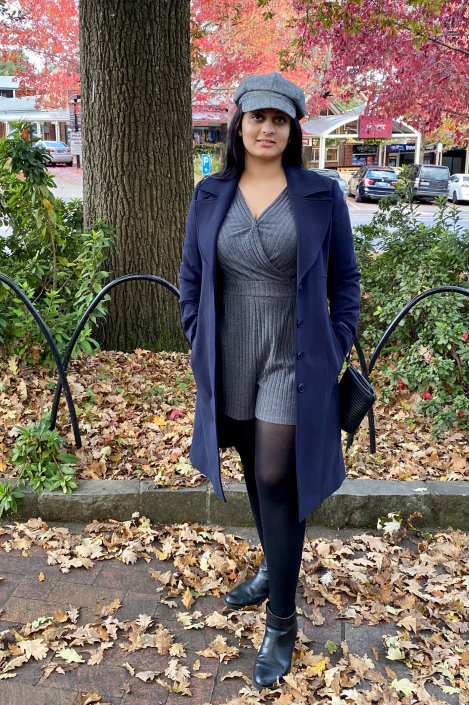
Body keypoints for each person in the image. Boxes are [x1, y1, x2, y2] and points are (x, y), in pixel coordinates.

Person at [178, 72, 361, 690]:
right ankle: (272, 568)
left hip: (292, 352)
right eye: (257, 117)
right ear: (239, 123)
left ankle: (281, 620)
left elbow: (345, 281)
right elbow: (191, 275)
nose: (266, 129)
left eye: (279, 120)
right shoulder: (210, 192)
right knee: (255, 469)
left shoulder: (320, 194)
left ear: (292, 129)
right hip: (230, 351)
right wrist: (197, 333)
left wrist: (333, 345)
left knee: (278, 474)